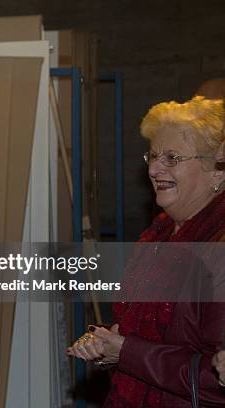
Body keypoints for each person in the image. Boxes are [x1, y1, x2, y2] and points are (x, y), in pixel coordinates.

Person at [67, 96, 225, 407]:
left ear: (217, 171)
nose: (154, 169)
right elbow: (141, 336)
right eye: (152, 156)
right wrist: (106, 345)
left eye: (172, 159)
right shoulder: (158, 235)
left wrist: (125, 352)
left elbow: (214, 381)